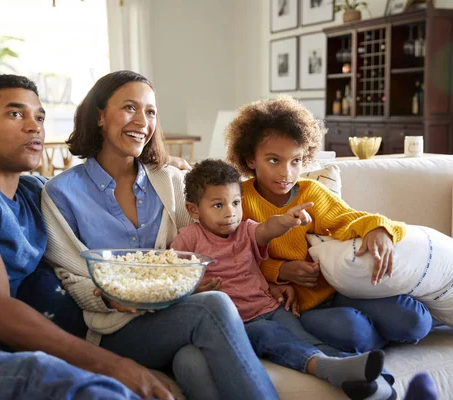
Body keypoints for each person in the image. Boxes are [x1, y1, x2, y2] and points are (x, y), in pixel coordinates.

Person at [0, 74, 176, 400]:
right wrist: (113, 365)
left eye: (39, 117)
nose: (34, 127)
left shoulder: (37, 194)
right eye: (16, 114)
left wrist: (165, 171)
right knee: (62, 382)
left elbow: (91, 193)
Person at [42, 70, 280, 400]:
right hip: (114, 328)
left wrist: (274, 276)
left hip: (176, 315)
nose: (142, 121)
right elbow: (71, 275)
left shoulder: (170, 182)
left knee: (191, 362)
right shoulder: (61, 193)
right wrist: (109, 295)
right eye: (129, 107)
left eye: (150, 111)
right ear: (99, 115)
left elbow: (215, 239)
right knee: (214, 306)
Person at [170, 159, 396, 400]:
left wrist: (287, 221)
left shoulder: (245, 229)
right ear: (194, 210)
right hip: (239, 323)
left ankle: (372, 378)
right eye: (218, 205)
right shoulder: (189, 240)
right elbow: (172, 278)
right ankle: (331, 370)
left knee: (306, 340)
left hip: (272, 308)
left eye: (236, 203)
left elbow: (267, 228)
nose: (230, 212)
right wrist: (193, 288)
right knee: (270, 335)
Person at [224, 95, 433, 354]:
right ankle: (373, 338)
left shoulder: (311, 192)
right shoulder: (238, 200)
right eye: (274, 160)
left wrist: (378, 228)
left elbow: (349, 220)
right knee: (356, 333)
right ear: (250, 159)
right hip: (300, 307)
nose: (286, 173)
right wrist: (281, 271)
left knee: (417, 322)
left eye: (296, 161)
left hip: (339, 289)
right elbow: (233, 259)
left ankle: (380, 331)